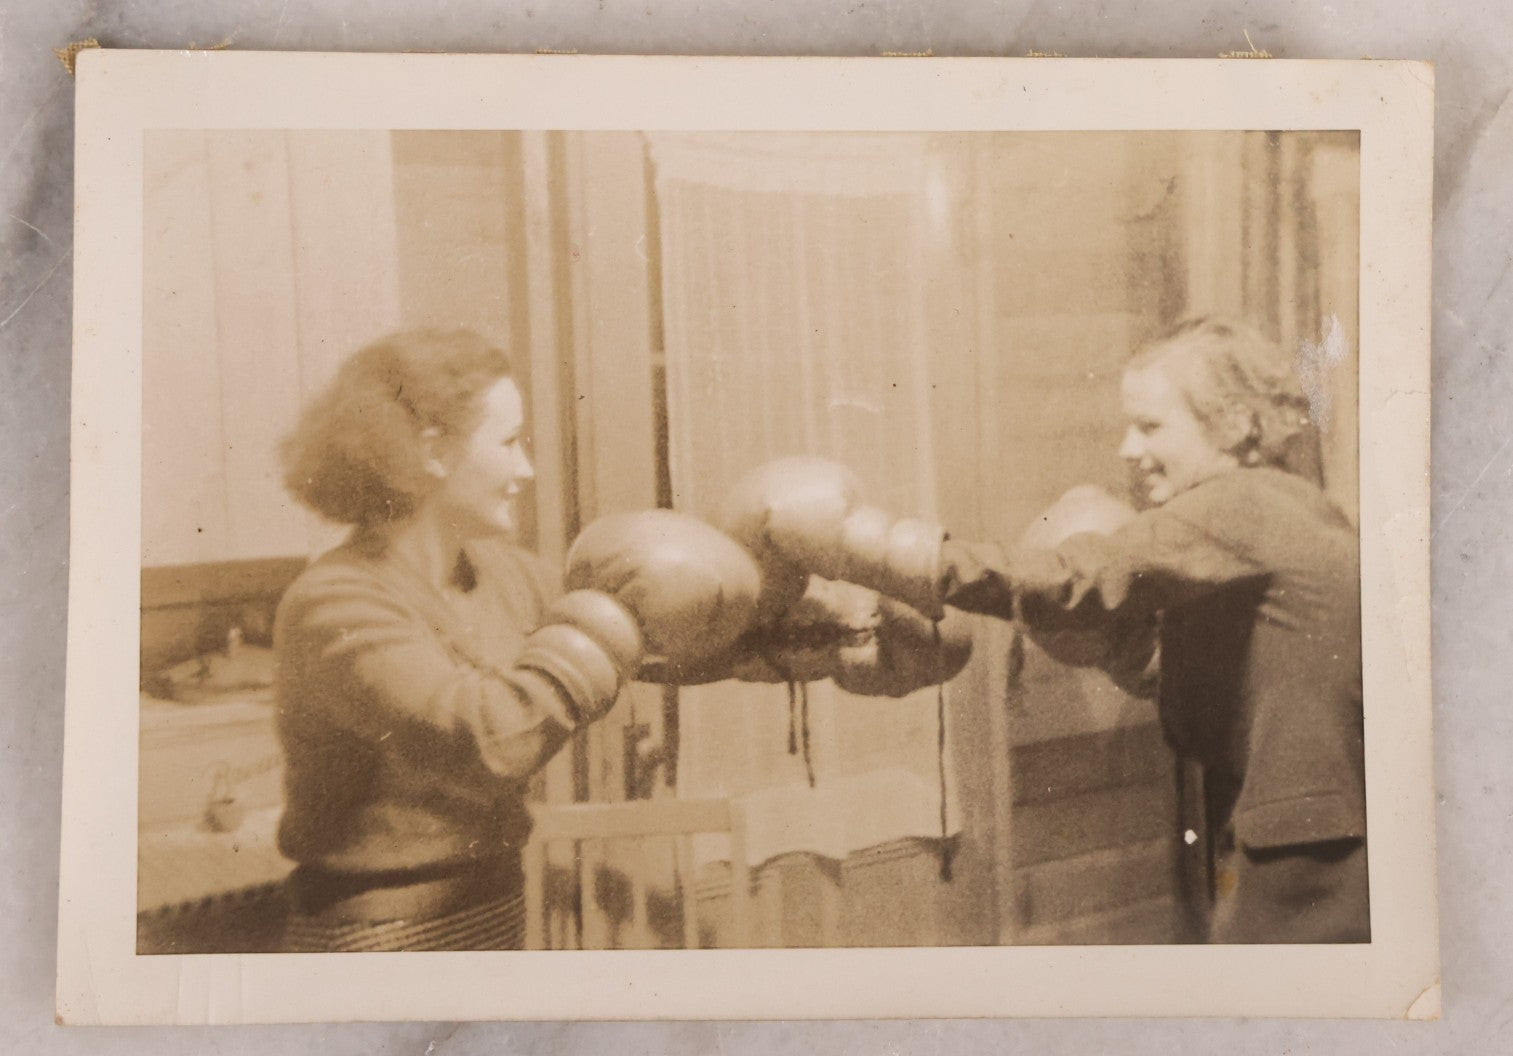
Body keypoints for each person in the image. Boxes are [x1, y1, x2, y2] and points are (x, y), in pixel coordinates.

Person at [273, 328, 972, 952]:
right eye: (509, 443)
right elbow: (488, 738)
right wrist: (629, 609)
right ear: (431, 451)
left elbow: (652, 648)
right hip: (371, 941)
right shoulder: (335, 602)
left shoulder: (502, 575)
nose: (527, 471)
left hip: (490, 913)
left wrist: (832, 637)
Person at [719, 317, 1368, 944]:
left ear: (1232, 424)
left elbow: (1067, 583)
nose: (1127, 450)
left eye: (1149, 426)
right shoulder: (1296, 504)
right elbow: (1243, 682)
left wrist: (875, 549)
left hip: (1313, 842)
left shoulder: (1237, 503)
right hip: (1328, 826)